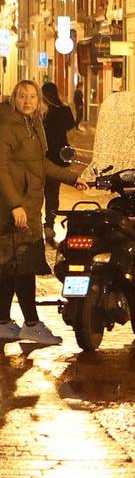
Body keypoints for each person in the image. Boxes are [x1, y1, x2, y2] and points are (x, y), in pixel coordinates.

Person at [0, 81, 86, 345]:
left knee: (10, 266)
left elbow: (42, 163)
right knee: (23, 266)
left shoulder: (34, 124)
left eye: (32, 97)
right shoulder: (6, 125)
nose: (27, 101)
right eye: (22, 96)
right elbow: (1, 168)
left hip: (30, 206)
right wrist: (15, 205)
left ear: (39, 101)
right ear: (15, 98)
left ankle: (3, 322)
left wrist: (73, 178)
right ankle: (32, 324)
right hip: (14, 207)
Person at [41, 83, 76, 244]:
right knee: (52, 194)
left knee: (35, 192)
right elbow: (71, 125)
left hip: (43, 155)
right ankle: (49, 224)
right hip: (56, 158)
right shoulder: (63, 110)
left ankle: (39, 225)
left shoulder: (44, 112)